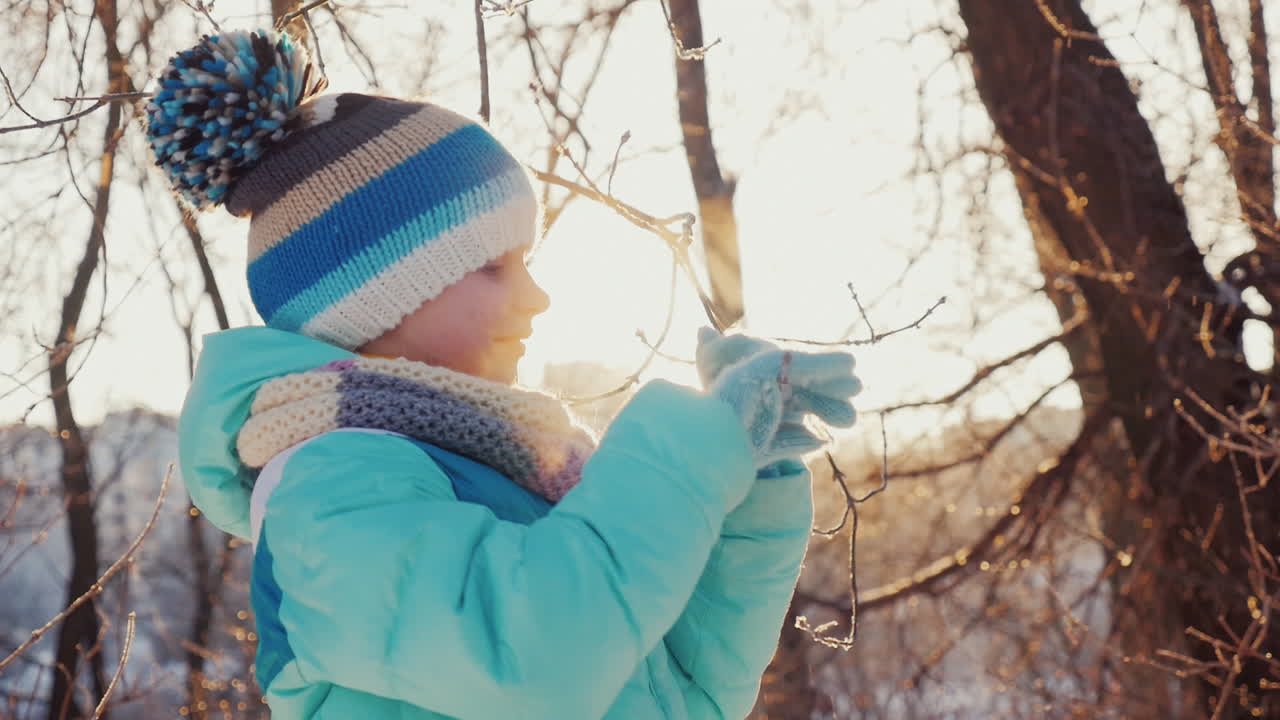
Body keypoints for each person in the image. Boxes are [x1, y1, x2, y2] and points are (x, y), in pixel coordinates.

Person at [158, 28, 862, 720]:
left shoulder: (515, 472)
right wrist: (691, 445)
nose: (536, 298)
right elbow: (532, 661)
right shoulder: (329, 489)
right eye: (494, 267)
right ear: (374, 300)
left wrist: (743, 482)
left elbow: (694, 690)